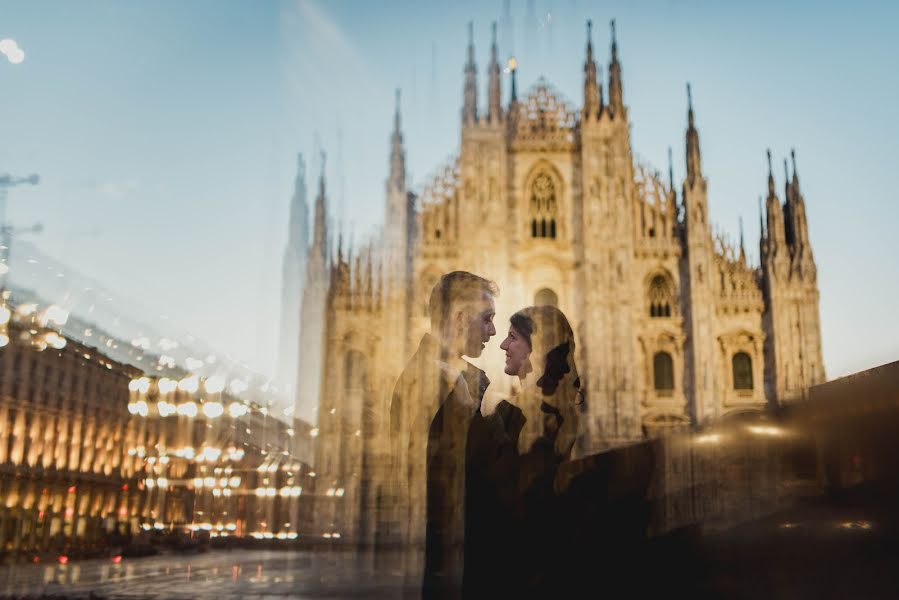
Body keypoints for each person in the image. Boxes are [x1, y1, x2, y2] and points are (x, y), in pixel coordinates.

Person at [387, 271, 498, 599]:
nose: (493, 331)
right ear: (461, 319)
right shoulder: (418, 385)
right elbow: (421, 483)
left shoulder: (466, 381)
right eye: (488, 319)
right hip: (443, 561)